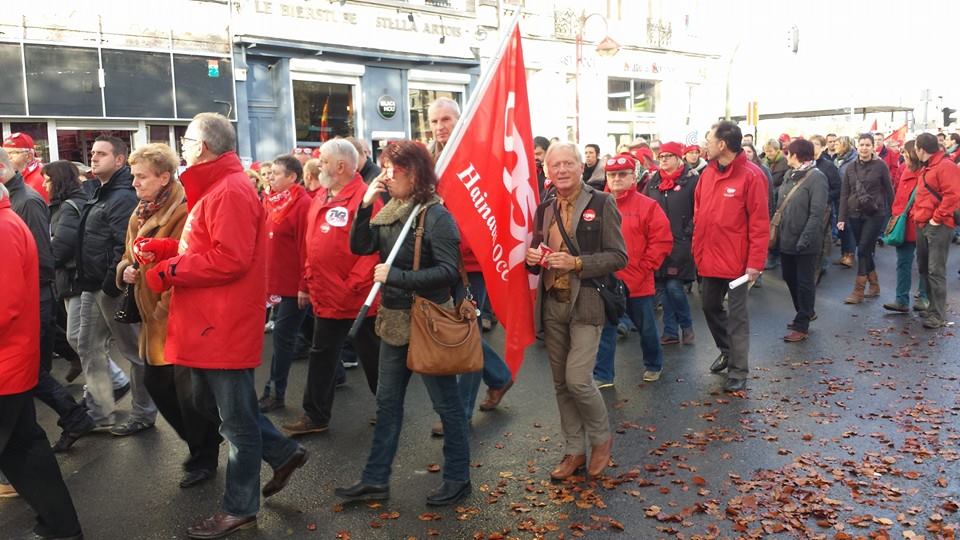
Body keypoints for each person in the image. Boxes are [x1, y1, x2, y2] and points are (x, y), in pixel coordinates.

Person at [139, 113, 307, 538]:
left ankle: (240, 508)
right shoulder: (218, 186)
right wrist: (162, 249)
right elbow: (206, 243)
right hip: (208, 322)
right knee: (213, 408)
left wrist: (169, 269)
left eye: (187, 139)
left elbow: (229, 259)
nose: (181, 147)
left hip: (222, 323)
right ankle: (283, 452)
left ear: (204, 146)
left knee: (235, 424)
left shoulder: (229, 189)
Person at [337, 140, 470, 506]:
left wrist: (396, 276)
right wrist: (365, 207)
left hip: (429, 323)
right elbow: (361, 247)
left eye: (394, 170)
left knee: (447, 406)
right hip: (394, 323)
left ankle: (459, 476)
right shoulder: (390, 209)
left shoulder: (436, 215)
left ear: (414, 174)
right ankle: (375, 479)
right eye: (384, 169)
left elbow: (447, 272)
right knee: (387, 405)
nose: (387, 176)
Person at [116, 143, 222, 489]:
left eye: (141, 176)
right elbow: (128, 257)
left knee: (188, 394)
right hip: (152, 318)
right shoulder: (141, 212)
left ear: (164, 177)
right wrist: (126, 272)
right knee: (159, 385)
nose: (134, 182)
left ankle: (203, 455)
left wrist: (163, 308)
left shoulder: (184, 211)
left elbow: (186, 263)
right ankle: (203, 443)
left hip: (175, 316)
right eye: (133, 175)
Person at [524, 142, 627, 480]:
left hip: (587, 302)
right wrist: (533, 259)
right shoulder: (545, 208)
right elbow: (540, 250)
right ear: (547, 171)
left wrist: (577, 262)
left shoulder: (602, 202)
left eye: (569, 163)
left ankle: (600, 440)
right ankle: (574, 450)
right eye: (556, 166)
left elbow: (618, 257)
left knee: (578, 380)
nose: (562, 170)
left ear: (582, 167)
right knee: (560, 384)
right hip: (553, 303)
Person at [0, 182, 83, 540]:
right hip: (10, 362)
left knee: (24, 448)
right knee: (25, 448)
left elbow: (4, 306)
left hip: (5, 363)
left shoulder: (3, 228)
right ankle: (61, 528)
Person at [283, 139, 382, 436]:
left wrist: (351, 285)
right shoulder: (321, 196)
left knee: (373, 357)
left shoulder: (366, 198)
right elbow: (310, 244)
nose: (318, 165)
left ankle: (390, 409)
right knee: (322, 355)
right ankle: (315, 415)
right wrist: (305, 283)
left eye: (323, 160)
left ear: (341, 166)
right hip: (326, 296)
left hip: (357, 299)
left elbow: (373, 250)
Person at [0, 151, 96, 456]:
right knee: (29, 374)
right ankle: (71, 419)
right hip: (32, 297)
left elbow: (44, 256)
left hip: (33, 298)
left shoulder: (25, 201)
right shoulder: (18, 199)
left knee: (29, 374)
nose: (46, 182)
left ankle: (69, 420)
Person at [75, 136, 158, 435]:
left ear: (119, 160)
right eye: (92, 153)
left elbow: (123, 246)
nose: (93, 158)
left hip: (112, 286)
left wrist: (112, 284)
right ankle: (100, 412)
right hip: (93, 284)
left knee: (134, 352)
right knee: (86, 345)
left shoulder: (122, 195)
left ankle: (144, 413)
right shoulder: (101, 191)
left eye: (101, 154)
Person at [694, 121, 769, 393]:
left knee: (737, 317)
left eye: (709, 139)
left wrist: (755, 264)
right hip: (710, 258)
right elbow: (700, 214)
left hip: (738, 264)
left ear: (722, 144)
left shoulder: (752, 176)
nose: (705, 145)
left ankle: (738, 371)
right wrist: (696, 250)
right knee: (709, 306)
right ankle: (727, 350)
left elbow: (760, 224)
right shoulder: (707, 174)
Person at [593, 154, 671, 386]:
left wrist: (646, 268)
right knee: (606, 331)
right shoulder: (597, 205)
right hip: (607, 282)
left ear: (632, 176)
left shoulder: (648, 206)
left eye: (622, 174)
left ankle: (654, 364)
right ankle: (603, 374)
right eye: (612, 174)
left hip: (638, 282)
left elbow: (662, 241)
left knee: (646, 328)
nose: (617, 179)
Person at [258, 155, 312, 414]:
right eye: (269, 173)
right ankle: (336, 374)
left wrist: (304, 284)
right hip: (277, 281)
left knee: (282, 338)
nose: (270, 177)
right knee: (311, 332)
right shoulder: (271, 201)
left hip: (294, 285)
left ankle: (275, 393)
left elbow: (306, 248)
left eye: (276, 173)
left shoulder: (302, 204)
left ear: (292, 177)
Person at [646, 141, 699, 346]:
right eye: (661, 157)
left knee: (675, 287)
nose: (664, 160)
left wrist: (688, 232)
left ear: (678, 158)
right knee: (663, 287)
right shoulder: (653, 182)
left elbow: (700, 209)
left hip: (681, 243)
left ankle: (686, 327)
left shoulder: (692, 180)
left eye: (668, 156)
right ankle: (670, 331)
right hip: (658, 243)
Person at [775, 139, 829, 342]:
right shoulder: (790, 175)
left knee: (805, 281)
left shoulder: (817, 178)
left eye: (788, 153)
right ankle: (805, 311)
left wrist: (805, 239)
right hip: (786, 237)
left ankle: (802, 324)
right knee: (789, 277)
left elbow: (816, 214)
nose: (786, 156)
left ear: (796, 155)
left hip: (806, 241)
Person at [910, 132, 960, 329]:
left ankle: (937, 314)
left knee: (935, 270)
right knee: (924, 268)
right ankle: (932, 309)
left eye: (916, 147)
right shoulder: (930, 165)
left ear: (922, 149)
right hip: (924, 223)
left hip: (937, 225)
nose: (914, 151)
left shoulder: (944, 166)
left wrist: (936, 218)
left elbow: (953, 195)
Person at [43, 161, 85, 384]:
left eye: (48, 179)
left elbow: (59, 249)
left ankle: (116, 381)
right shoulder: (62, 206)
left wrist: (47, 246)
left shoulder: (68, 207)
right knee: (80, 337)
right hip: (69, 279)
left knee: (78, 337)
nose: (44, 184)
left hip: (74, 279)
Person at [838, 133, 893, 304]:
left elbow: (889, 191)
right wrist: (841, 217)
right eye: (861, 144)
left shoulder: (881, 166)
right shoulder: (850, 167)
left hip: (875, 213)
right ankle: (874, 284)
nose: (864, 148)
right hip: (855, 213)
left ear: (872, 147)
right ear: (857, 146)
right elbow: (844, 193)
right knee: (866, 250)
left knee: (861, 249)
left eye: (867, 145)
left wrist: (894, 215)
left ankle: (859, 290)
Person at [883, 141, 928, 313]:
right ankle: (901, 299)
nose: (904, 157)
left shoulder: (927, 172)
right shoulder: (904, 169)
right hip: (903, 224)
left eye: (907, 155)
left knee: (924, 264)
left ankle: (924, 298)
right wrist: (896, 213)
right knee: (903, 263)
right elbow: (899, 194)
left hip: (922, 224)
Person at [810, 135, 842, 282]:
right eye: (811, 144)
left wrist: (823, 197)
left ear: (823, 147)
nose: (813, 146)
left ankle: (820, 265)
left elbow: (837, 188)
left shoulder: (828, 165)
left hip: (824, 207)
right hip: (806, 206)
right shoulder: (805, 163)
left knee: (823, 236)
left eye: (816, 144)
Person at [833, 136, 858, 267]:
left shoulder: (852, 161)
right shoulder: (837, 160)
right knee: (841, 227)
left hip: (849, 199)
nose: (834, 146)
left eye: (837, 144)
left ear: (844, 145)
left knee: (848, 228)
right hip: (839, 198)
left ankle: (850, 255)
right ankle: (844, 254)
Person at [3, 132, 48, 201]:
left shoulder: (40, 178)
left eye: (13, 152)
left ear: (29, 156)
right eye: (5, 153)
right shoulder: (12, 176)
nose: (8, 157)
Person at [427, 97, 460, 162]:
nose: (439, 127)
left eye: (445, 119)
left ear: (459, 120)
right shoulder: (425, 157)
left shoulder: (475, 152)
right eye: (434, 121)